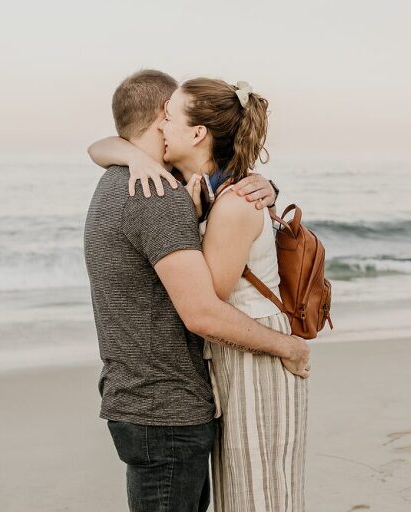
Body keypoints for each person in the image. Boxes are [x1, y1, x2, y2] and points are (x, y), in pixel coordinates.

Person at [83, 69, 310, 512]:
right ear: (157, 119)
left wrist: (262, 189)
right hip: (167, 407)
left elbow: (102, 147)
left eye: (175, 117)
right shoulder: (156, 193)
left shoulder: (117, 183)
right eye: (166, 115)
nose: (168, 124)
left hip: (139, 398)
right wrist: (289, 346)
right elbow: (204, 311)